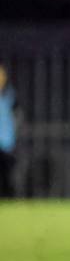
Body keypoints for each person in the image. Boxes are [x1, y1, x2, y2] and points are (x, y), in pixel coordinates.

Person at [0, 63, 18, 197]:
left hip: (6, 142)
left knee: (6, 175)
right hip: (6, 141)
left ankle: (8, 198)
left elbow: (17, 115)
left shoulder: (9, 96)